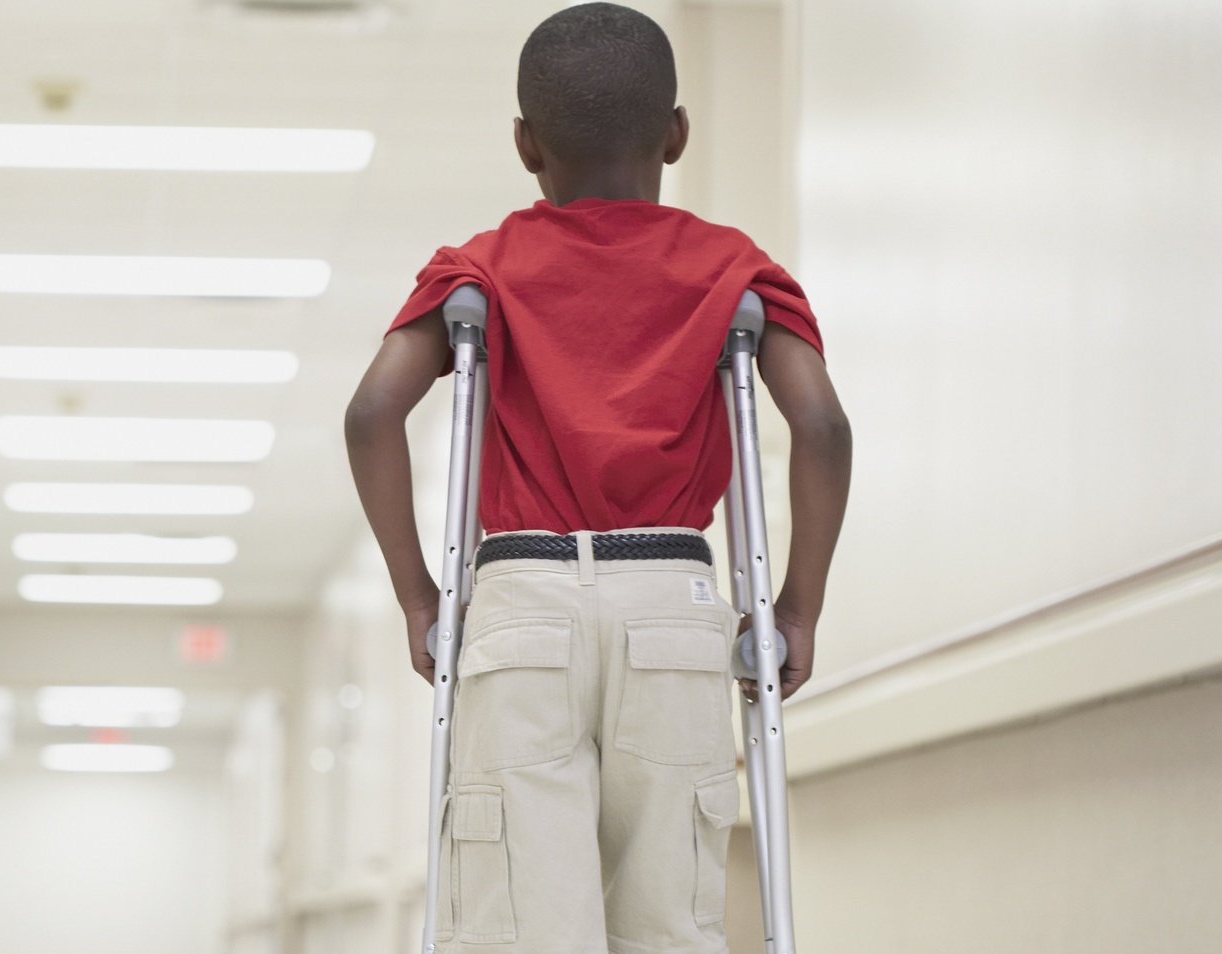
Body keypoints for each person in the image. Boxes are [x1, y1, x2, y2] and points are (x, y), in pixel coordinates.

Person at [344, 4, 852, 951]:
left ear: (526, 145)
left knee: (526, 921)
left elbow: (373, 413)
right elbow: (819, 426)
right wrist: (797, 611)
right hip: (672, 600)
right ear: (676, 132)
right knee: (667, 914)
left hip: (521, 603)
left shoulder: (480, 270)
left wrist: (421, 598)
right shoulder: (730, 267)